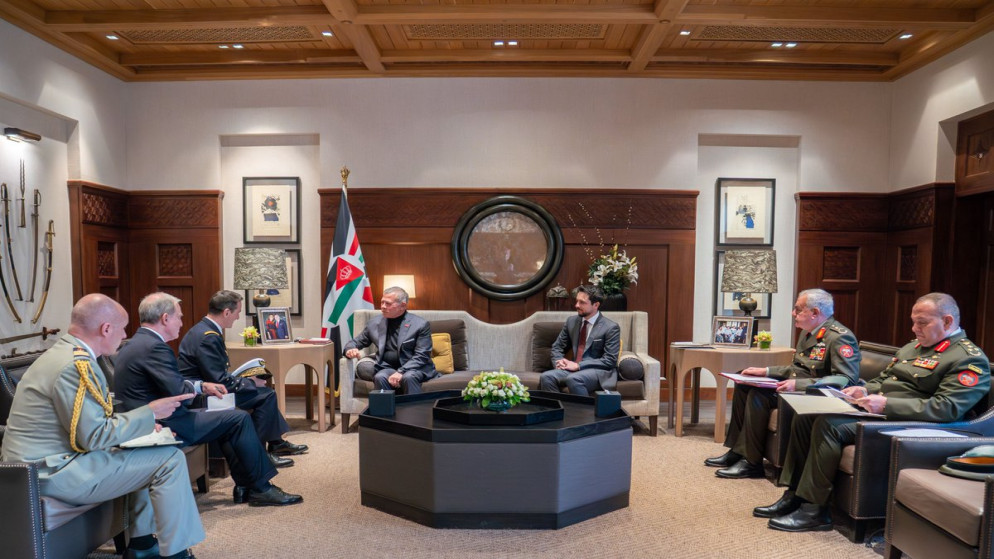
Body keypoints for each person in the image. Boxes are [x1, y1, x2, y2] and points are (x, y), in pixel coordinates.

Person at [758, 292, 990, 532]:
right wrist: (863, 389)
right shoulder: (913, 348)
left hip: (915, 424)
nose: (914, 329)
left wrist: (887, 404)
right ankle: (795, 494)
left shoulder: (967, 359)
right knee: (806, 416)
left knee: (829, 426)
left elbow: (947, 408)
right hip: (881, 412)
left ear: (947, 321)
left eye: (922, 323)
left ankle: (814, 509)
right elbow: (885, 380)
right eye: (913, 322)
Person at [0, 293, 204, 559]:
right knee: (170, 460)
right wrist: (150, 413)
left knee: (150, 452)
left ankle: (143, 547)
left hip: (49, 464)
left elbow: (89, 425)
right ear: (106, 328)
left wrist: (143, 426)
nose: (125, 335)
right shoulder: (75, 366)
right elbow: (93, 436)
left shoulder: (66, 354)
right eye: (123, 328)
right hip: (51, 473)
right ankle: (175, 554)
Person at [115, 292, 303, 507]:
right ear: (165, 318)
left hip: (151, 417)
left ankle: (247, 486)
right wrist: (199, 389)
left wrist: (201, 385)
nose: (182, 322)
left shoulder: (139, 343)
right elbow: (178, 391)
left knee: (230, 418)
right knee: (237, 419)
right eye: (179, 317)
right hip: (162, 422)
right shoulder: (155, 347)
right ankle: (261, 488)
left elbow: (172, 383)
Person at [705, 289, 861, 479]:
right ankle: (738, 451)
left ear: (815, 312)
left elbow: (846, 378)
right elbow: (797, 369)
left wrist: (799, 385)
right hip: (798, 388)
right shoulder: (808, 333)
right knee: (744, 382)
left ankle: (751, 463)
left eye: (798, 309)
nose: (793, 313)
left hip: (815, 394)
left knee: (759, 396)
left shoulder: (839, 337)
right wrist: (766, 371)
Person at [177, 290, 307, 466]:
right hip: (202, 397)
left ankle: (276, 443)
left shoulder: (204, 329)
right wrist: (250, 382)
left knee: (264, 392)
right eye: (237, 312)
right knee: (265, 395)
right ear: (226, 312)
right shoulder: (208, 338)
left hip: (208, 389)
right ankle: (259, 455)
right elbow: (219, 380)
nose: (237, 317)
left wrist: (245, 380)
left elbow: (215, 375)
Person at [343, 286, 438, 394]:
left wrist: (401, 371)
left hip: (415, 368)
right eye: (382, 302)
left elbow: (422, 355)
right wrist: (350, 349)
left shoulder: (420, 324)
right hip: (388, 367)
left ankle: (415, 405)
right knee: (380, 377)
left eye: (388, 303)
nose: (383, 306)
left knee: (408, 377)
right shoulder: (374, 323)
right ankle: (385, 406)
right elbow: (355, 342)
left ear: (403, 306)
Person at [539, 285, 621, 396]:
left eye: (582, 302)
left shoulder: (611, 327)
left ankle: (584, 408)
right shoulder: (571, 321)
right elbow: (557, 346)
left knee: (574, 379)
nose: (576, 305)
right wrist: (559, 362)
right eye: (577, 301)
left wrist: (579, 366)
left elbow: (610, 360)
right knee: (546, 377)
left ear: (596, 305)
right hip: (573, 369)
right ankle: (559, 407)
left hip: (598, 371)